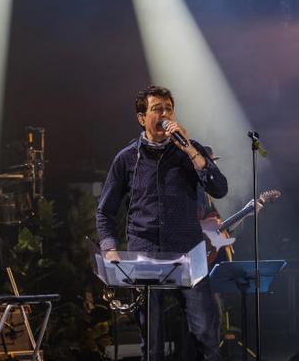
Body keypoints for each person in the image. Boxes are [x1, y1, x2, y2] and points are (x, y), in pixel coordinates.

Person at [96, 85, 228, 360]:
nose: (165, 114)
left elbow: (220, 189)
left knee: (205, 334)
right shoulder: (127, 158)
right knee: (152, 342)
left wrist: (191, 151)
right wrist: (109, 248)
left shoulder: (191, 151)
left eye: (169, 109)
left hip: (189, 253)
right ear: (142, 117)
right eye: (157, 109)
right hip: (145, 254)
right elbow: (105, 212)